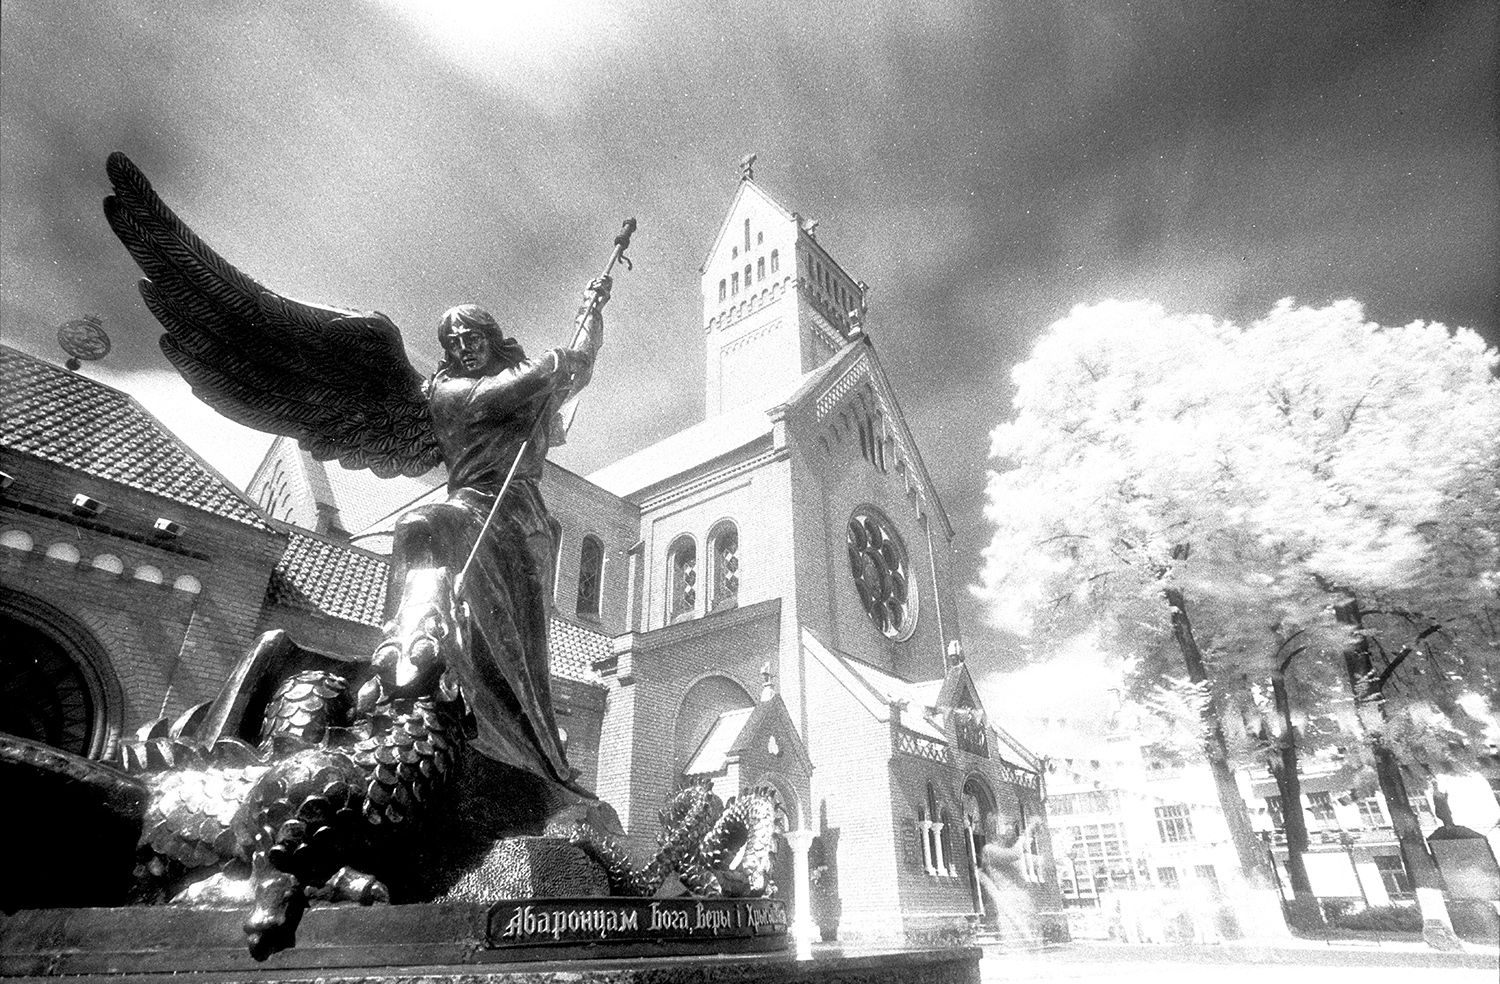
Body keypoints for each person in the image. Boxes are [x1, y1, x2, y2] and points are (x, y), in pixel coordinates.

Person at [375, 277, 610, 798]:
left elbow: (578, 367)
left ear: (490, 336)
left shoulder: (523, 394)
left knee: (523, 648)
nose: (464, 346)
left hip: (521, 518)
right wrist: (557, 361)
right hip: (472, 505)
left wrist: (591, 312)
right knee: (420, 525)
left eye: (472, 336)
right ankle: (404, 655)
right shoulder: (449, 394)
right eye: (453, 342)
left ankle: (537, 749)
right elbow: (517, 385)